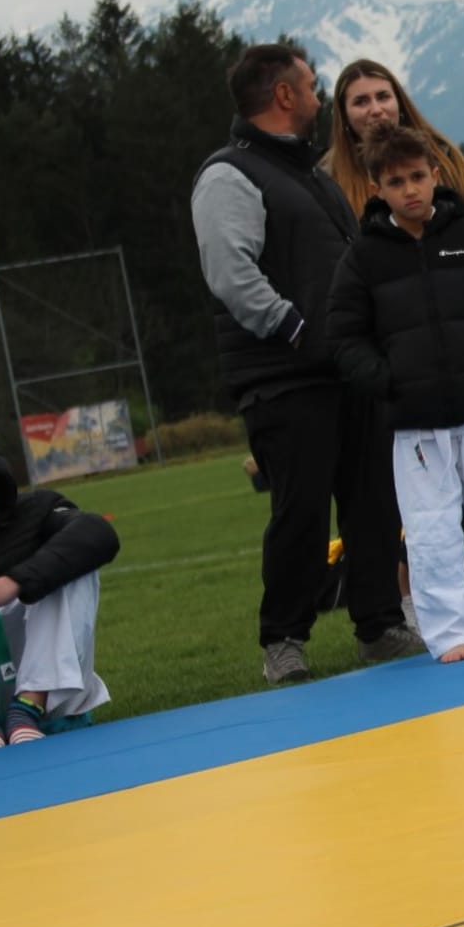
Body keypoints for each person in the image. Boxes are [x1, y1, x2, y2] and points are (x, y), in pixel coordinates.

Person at [190, 43, 421, 684]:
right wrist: (295, 330)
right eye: (313, 87)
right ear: (284, 95)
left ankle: (380, 625)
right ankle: (284, 639)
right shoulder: (228, 175)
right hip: (285, 378)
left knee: (373, 504)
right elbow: (230, 272)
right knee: (302, 512)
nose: (321, 98)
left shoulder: (312, 175)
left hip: (349, 370)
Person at [324, 124, 464, 662]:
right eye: (396, 181)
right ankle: (451, 633)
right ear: (377, 188)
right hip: (414, 422)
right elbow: (344, 337)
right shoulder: (363, 259)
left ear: (435, 174)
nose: (410, 190)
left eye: (417, 177)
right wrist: (387, 381)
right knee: (430, 530)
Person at [0, 425, 117, 750]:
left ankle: (29, 707)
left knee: (74, 563)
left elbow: (98, 533)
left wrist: (13, 582)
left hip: (47, 693)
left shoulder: (35, 511)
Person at [322, 59, 464, 220]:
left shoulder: (446, 159)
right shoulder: (329, 181)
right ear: (344, 116)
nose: (376, 109)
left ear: (399, 103)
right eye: (361, 102)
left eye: (383, 97)